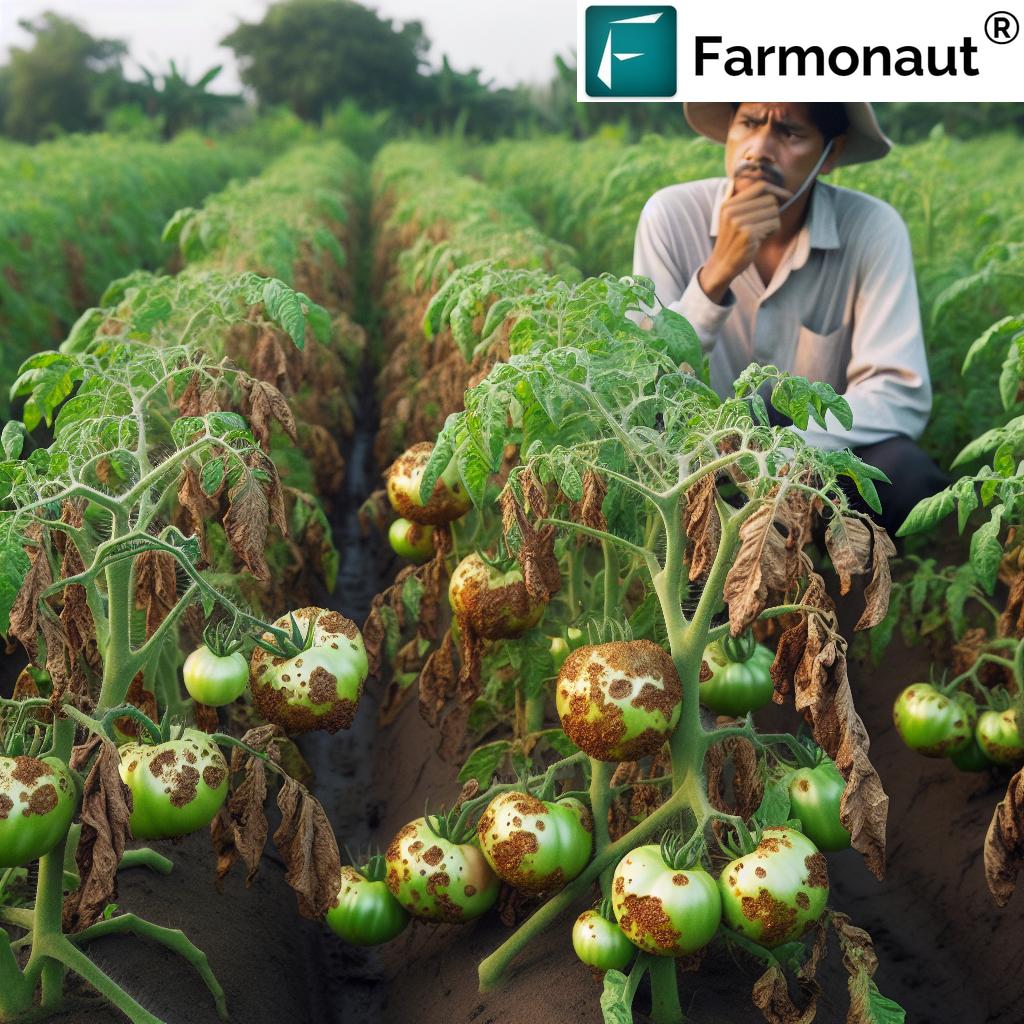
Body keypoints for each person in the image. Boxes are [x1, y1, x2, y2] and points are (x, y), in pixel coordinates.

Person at [632, 101, 948, 537]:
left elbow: (896, 392)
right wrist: (717, 273)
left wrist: (780, 451)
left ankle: (854, 595)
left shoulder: (872, 228)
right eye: (748, 123)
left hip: (820, 456)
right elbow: (645, 385)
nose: (759, 149)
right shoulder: (671, 217)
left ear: (830, 154)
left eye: (790, 133)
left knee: (904, 473)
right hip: (700, 464)